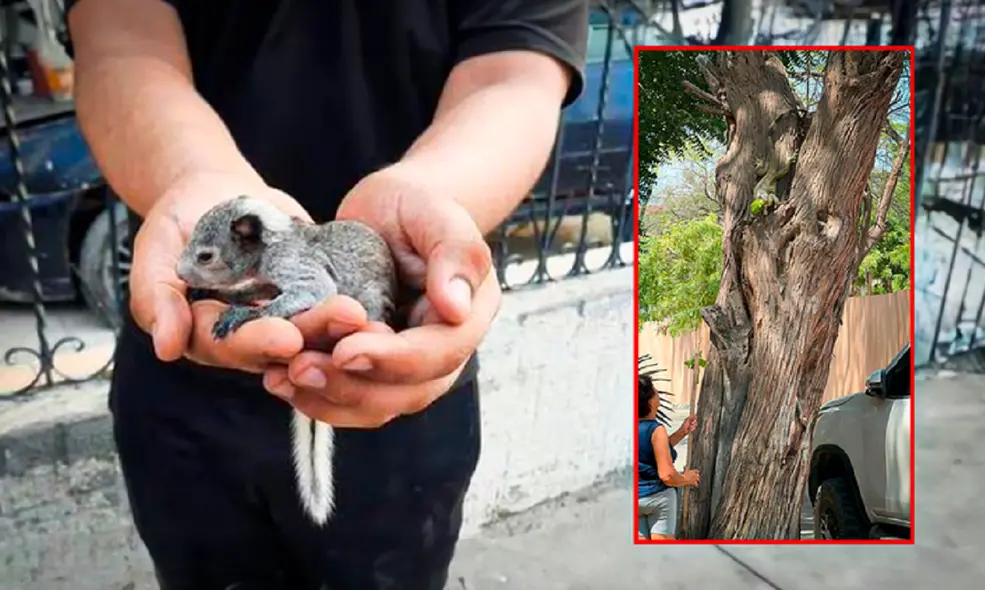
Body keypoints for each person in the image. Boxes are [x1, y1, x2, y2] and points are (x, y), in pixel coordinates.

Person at [66, 0, 587, 588]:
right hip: (182, 374)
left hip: (394, 375)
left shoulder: (282, 258)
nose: (196, 267)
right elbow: (120, 41)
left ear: (247, 241)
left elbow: (514, 74)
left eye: (207, 260)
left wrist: (430, 198)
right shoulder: (245, 265)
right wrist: (191, 178)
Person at [637, 374, 700, 540]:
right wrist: (687, 478)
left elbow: (655, 450)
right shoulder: (656, 430)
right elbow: (667, 475)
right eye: (655, 392)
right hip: (659, 500)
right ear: (650, 402)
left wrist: (682, 432)